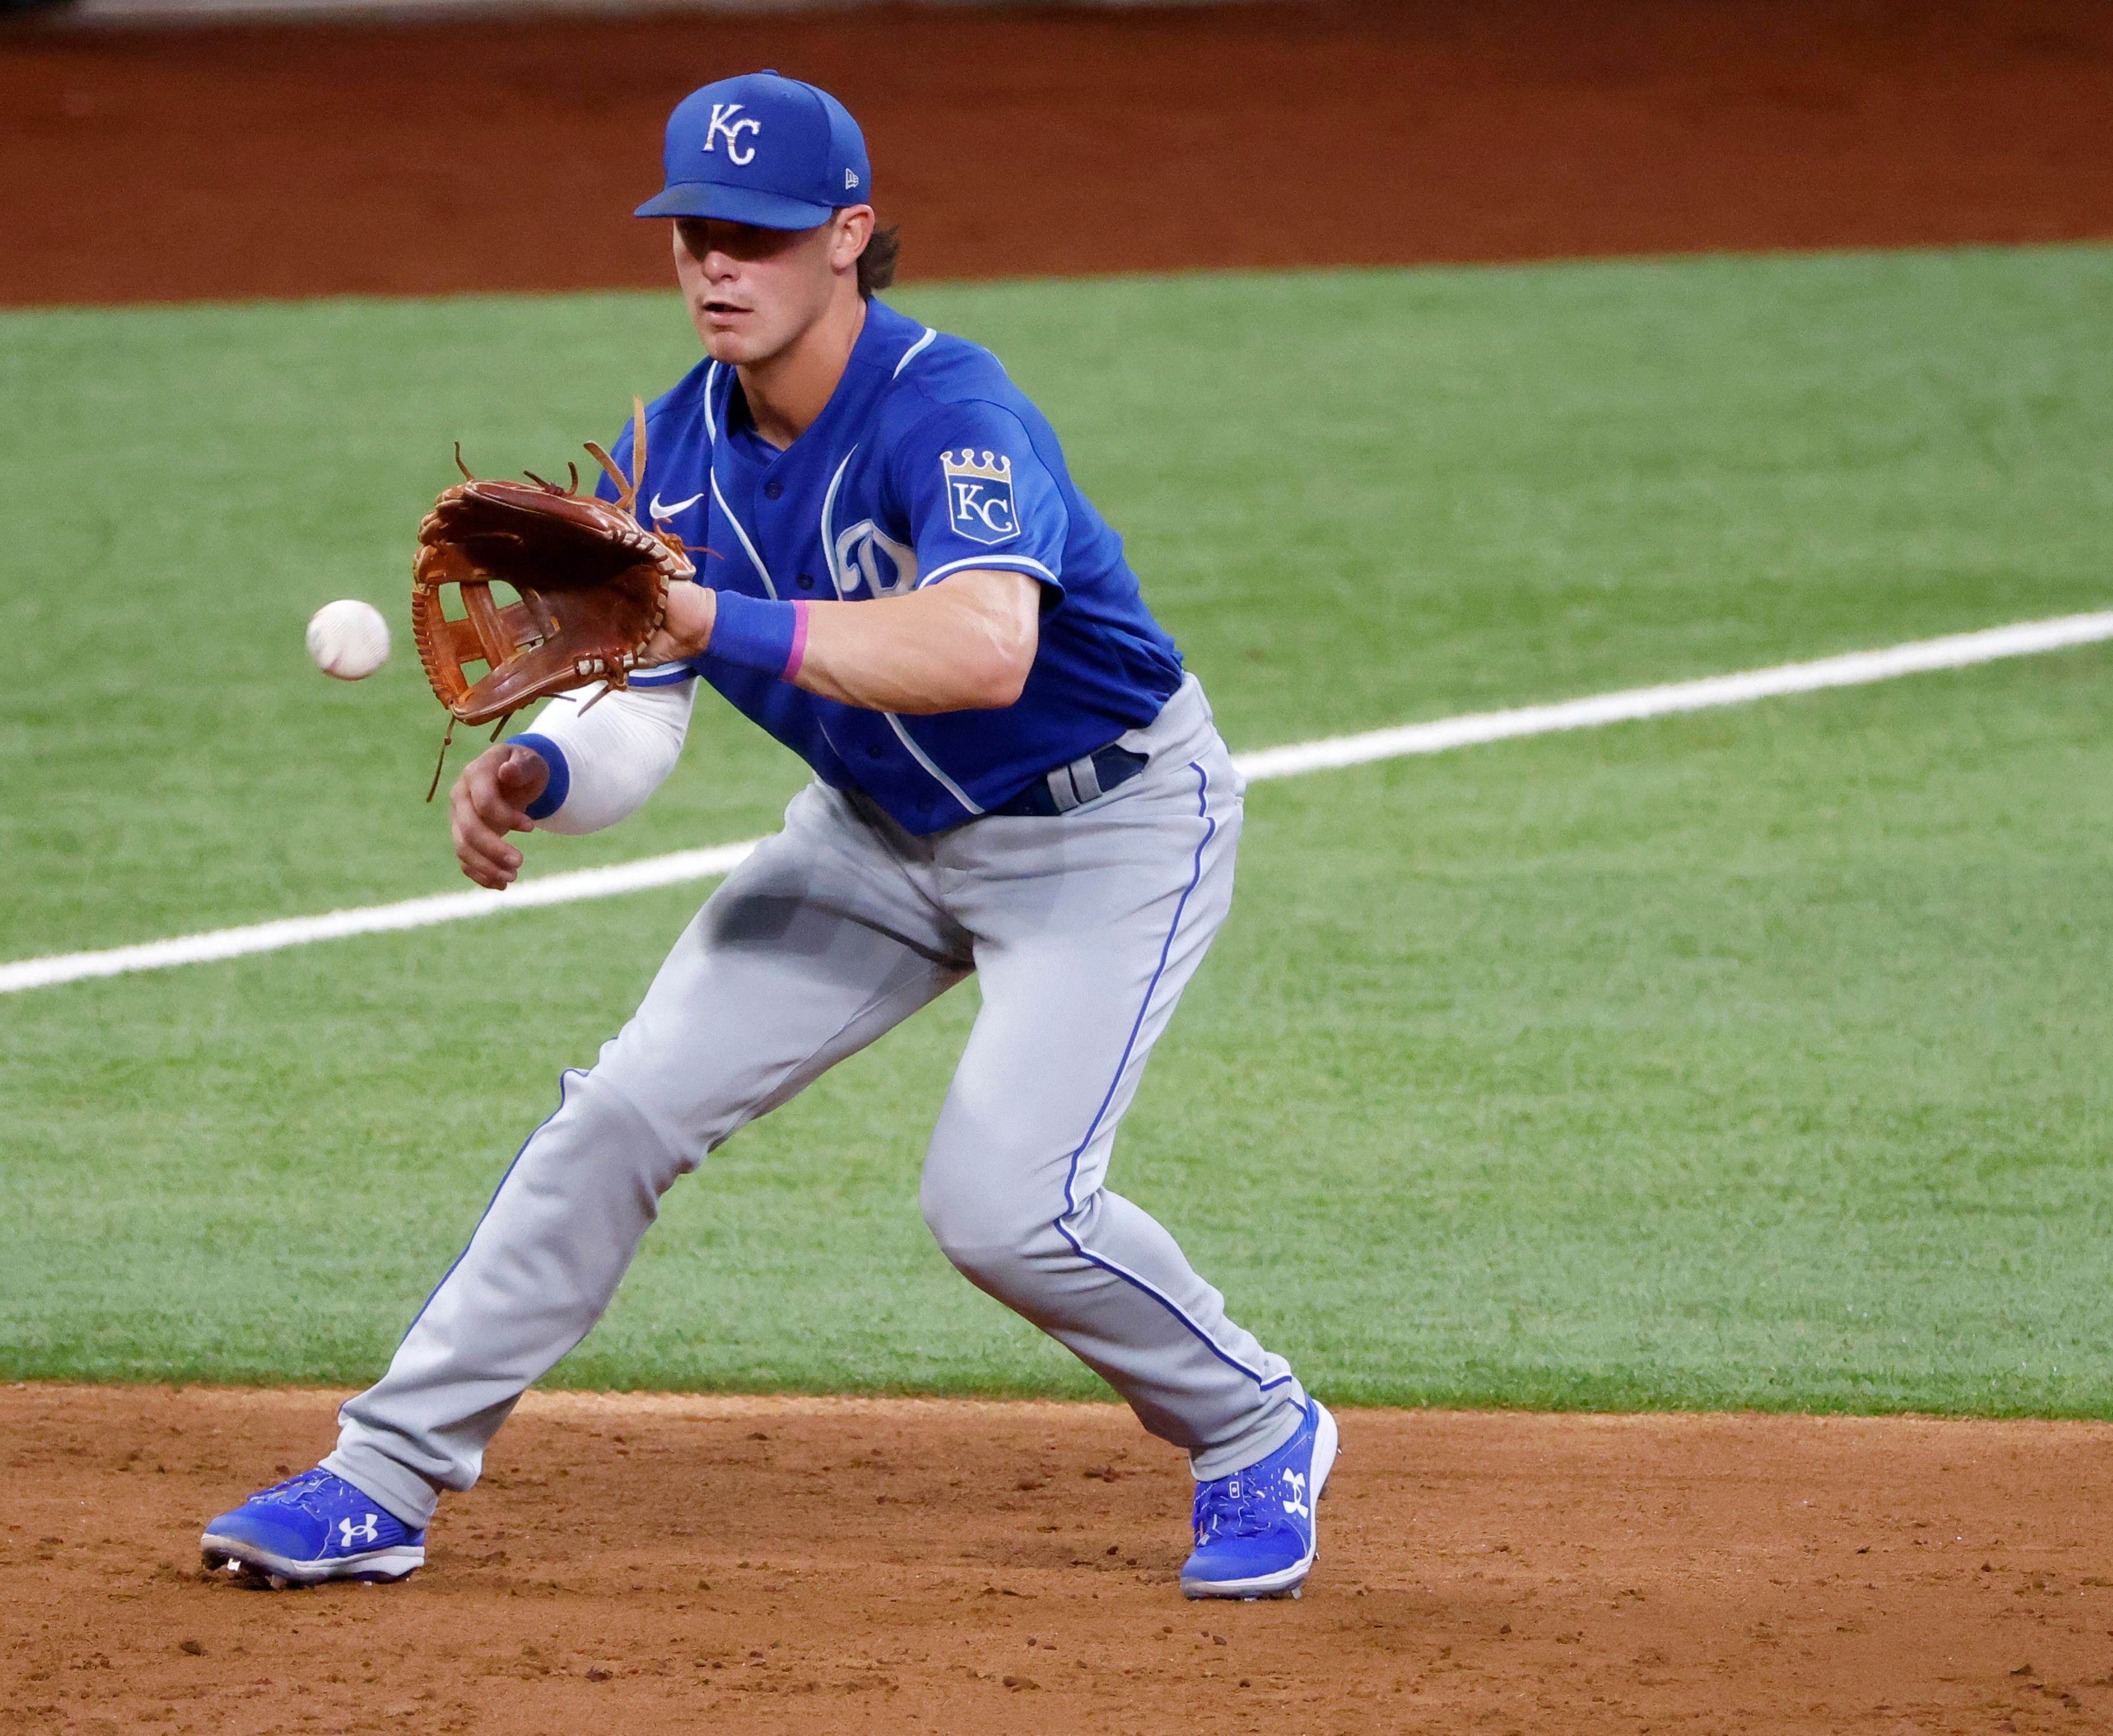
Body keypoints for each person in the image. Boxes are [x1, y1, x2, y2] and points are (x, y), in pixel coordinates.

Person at [201, 70, 1334, 1602]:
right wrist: (541, 768)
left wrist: (697, 611)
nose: (716, 265)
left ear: (849, 236)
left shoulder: (950, 408)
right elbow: (641, 709)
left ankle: (1252, 1424)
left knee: (1003, 1207)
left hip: (1107, 828)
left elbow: (981, 649)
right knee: (614, 1115)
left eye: (759, 233)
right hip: (873, 837)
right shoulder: (670, 456)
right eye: (691, 235)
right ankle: (383, 1474)